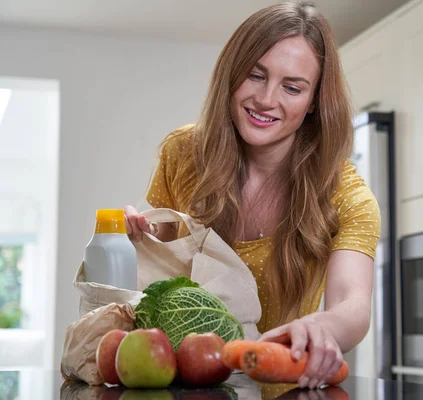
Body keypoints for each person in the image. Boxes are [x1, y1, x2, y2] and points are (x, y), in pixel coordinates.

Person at [124, 1, 381, 391]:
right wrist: (145, 238)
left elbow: (353, 305)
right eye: (255, 75)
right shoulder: (182, 154)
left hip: (285, 393)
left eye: (292, 87)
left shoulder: (346, 195)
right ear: (232, 73)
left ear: (313, 102)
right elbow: (164, 267)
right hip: (184, 390)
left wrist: (323, 326)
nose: (266, 99)